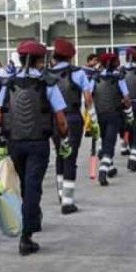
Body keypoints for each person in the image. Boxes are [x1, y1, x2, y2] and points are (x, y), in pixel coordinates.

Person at [0, 40, 69, 255]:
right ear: (39, 59)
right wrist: (64, 138)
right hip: (38, 142)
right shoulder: (48, 83)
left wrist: (1, 139)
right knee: (33, 185)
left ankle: (32, 217)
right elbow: (61, 118)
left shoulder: (9, 82)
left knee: (26, 185)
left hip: (14, 142)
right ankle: (26, 236)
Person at [47, 38, 95, 214]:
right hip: (73, 117)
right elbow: (88, 98)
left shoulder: (47, 74)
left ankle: (61, 192)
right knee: (70, 157)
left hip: (53, 119)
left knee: (59, 154)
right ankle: (67, 201)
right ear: (70, 57)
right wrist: (92, 118)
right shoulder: (78, 73)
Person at [90, 53, 130, 186]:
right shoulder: (119, 78)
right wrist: (129, 113)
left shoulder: (94, 78)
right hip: (114, 114)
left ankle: (110, 166)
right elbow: (127, 98)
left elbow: (88, 97)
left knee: (103, 141)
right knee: (110, 145)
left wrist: (90, 115)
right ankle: (103, 170)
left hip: (99, 115)